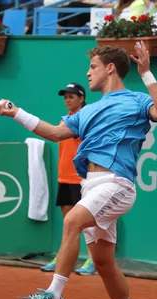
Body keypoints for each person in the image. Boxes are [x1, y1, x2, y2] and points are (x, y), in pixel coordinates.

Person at [0, 42, 157, 299]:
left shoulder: (136, 101)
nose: (88, 73)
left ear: (110, 68)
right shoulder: (86, 111)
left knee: (72, 220)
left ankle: (53, 297)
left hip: (117, 183)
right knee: (103, 263)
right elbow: (55, 132)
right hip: (91, 186)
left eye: (93, 67)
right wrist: (15, 112)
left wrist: (146, 73)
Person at [41, 82, 96, 276]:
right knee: (68, 223)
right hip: (64, 177)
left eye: (71, 96)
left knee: (87, 223)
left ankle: (92, 259)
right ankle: (64, 258)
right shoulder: (66, 119)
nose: (67, 100)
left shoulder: (86, 118)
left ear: (81, 98)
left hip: (80, 178)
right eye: (65, 97)